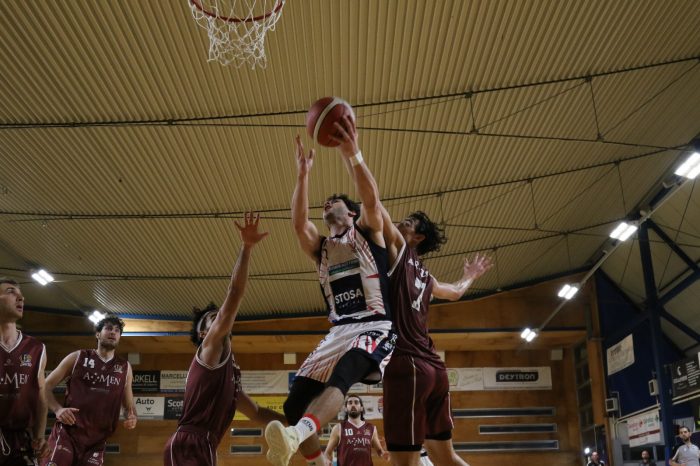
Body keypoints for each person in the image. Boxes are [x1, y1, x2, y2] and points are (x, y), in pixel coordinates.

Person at [335, 122, 491, 466]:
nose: (401, 223)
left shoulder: (400, 250)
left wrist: (352, 154)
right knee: (444, 456)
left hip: (409, 366)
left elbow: (372, 202)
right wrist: (469, 277)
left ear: (416, 237)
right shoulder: (427, 275)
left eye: (407, 222)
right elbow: (454, 293)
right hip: (436, 369)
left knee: (403, 462)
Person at [265, 126, 397, 466]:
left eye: (335, 201)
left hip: (375, 325)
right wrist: (302, 176)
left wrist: (351, 153)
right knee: (294, 406)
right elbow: (298, 224)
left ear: (350, 213)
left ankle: (296, 435)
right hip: (337, 330)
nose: (327, 203)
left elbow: (371, 198)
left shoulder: (368, 232)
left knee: (343, 376)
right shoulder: (321, 248)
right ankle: (318, 462)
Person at [164, 213, 286, 466]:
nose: (218, 318)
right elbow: (234, 294)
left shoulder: (229, 372)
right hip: (191, 441)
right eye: (212, 318)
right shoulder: (209, 349)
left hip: (207, 443)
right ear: (202, 334)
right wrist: (247, 247)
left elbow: (257, 413)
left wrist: (299, 422)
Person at [41, 315, 137, 466]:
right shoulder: (77, 357)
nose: (113, 332)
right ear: (98, 334)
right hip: (69, 434)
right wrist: (58, 409)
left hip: (97, 441)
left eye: (117, 330)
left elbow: (128, 405)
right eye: (108, 328)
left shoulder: (125, 367)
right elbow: (44, 386)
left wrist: (131, 416)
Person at [0, 277, 48, 465]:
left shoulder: (36, 348)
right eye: (11, 292)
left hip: (22, 440)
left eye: (21, 295)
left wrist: (39, 436)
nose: (21, 298)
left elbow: (41, 395)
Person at [323, 395, 388, 465]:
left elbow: (379, 451)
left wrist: (383, 453)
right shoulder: (338, 428)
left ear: (361, 408)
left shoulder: (371, 428)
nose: (353, 405)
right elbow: (327, 453)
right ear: (345, 408)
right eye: (350, 403)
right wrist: (327, 460)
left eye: (356, 402)